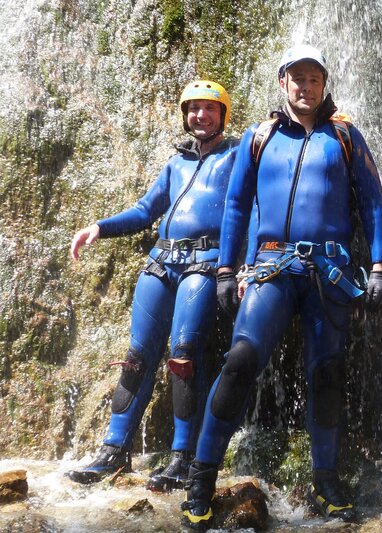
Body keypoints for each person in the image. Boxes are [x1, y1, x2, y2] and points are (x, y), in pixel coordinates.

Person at [180, 45, 382, 530]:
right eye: (297, 78)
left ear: (324, 85)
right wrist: (226, 271)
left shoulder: (344, 136)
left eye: (314, 79)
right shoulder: (261, 137)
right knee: (239, 363)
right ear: (283, 83)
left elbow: (373, 203)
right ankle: (200, 480)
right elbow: (237, 205)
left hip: (328, 271)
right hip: (271, 268)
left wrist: (380, 266)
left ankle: (326, 480)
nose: (305, 87)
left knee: (327, 374)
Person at [66, 80, 238, 492]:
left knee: (183, 356)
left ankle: (183, 457)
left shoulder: (236, 155)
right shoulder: (176, 163)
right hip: (161, 262)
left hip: (205, 262)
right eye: (193, 108)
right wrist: (100, 227)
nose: (200, 115)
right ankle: (113, 449)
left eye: (209, 108)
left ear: (223, 115)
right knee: (137, 356)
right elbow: (146, 210)